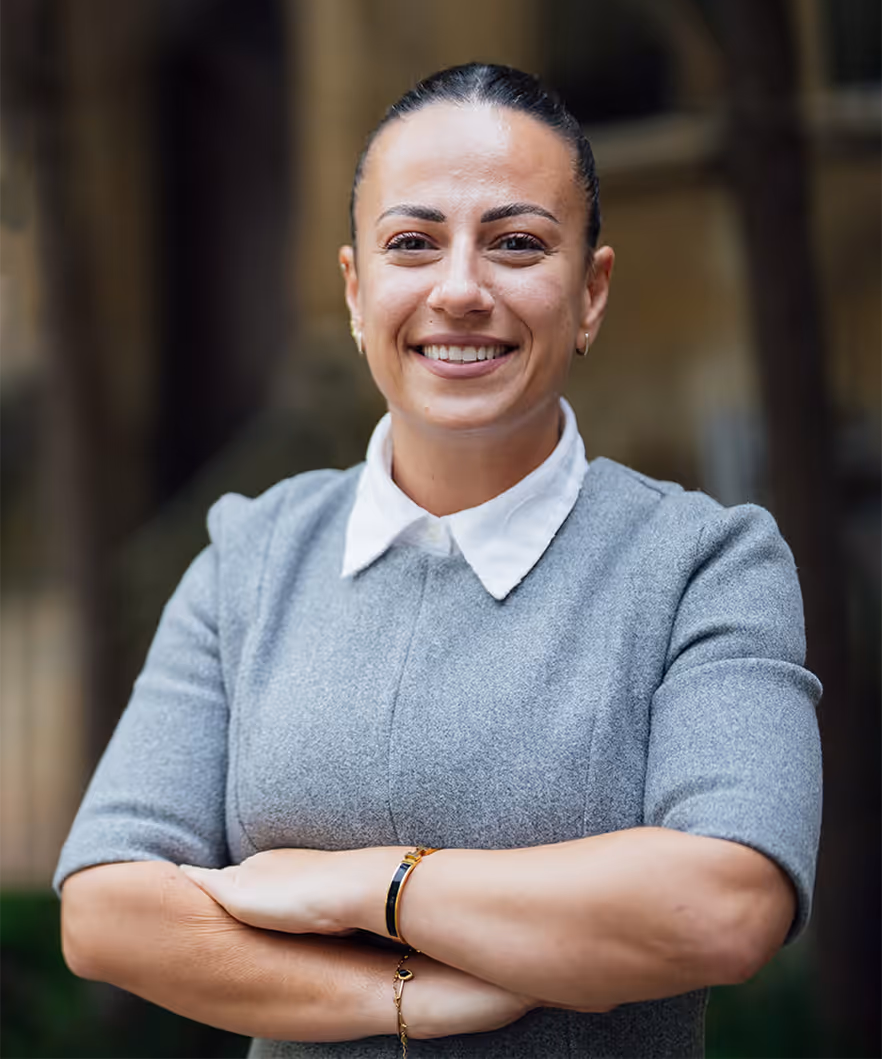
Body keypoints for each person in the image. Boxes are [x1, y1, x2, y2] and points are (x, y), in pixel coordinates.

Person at [55, 64, 822, 1058]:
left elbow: (726, 903)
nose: (460, 289)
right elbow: (107, 908)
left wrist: (364, 882)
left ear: (590, 294)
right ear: (354, 288)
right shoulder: (251, 555)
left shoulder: (704, 565)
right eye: (412, 243)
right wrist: (418, 995)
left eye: (516, 243)